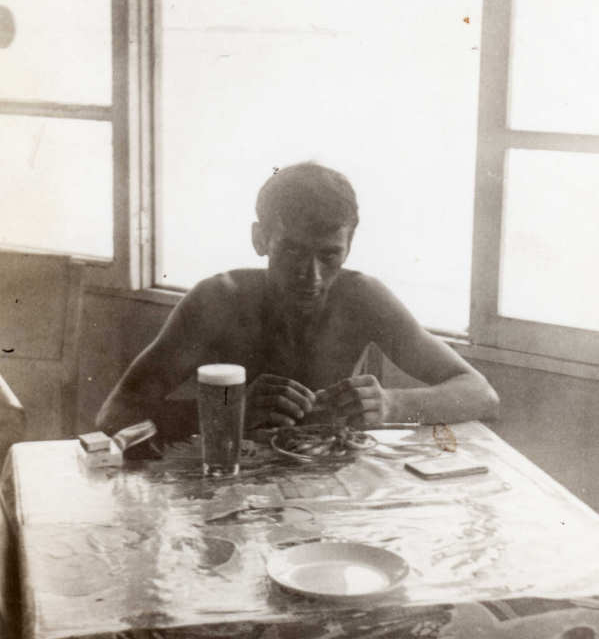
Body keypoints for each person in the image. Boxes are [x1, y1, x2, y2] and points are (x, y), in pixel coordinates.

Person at [97, 162, 499, 438]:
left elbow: (480, 393)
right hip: (230, 483)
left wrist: (392, 405)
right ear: (260, 240)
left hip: (328, 489)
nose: (312, 276)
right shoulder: (218, 300)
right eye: (292, 252)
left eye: (329, 255)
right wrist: (228, 414)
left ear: (349, 246)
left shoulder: (362, 296)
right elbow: (115, 414)